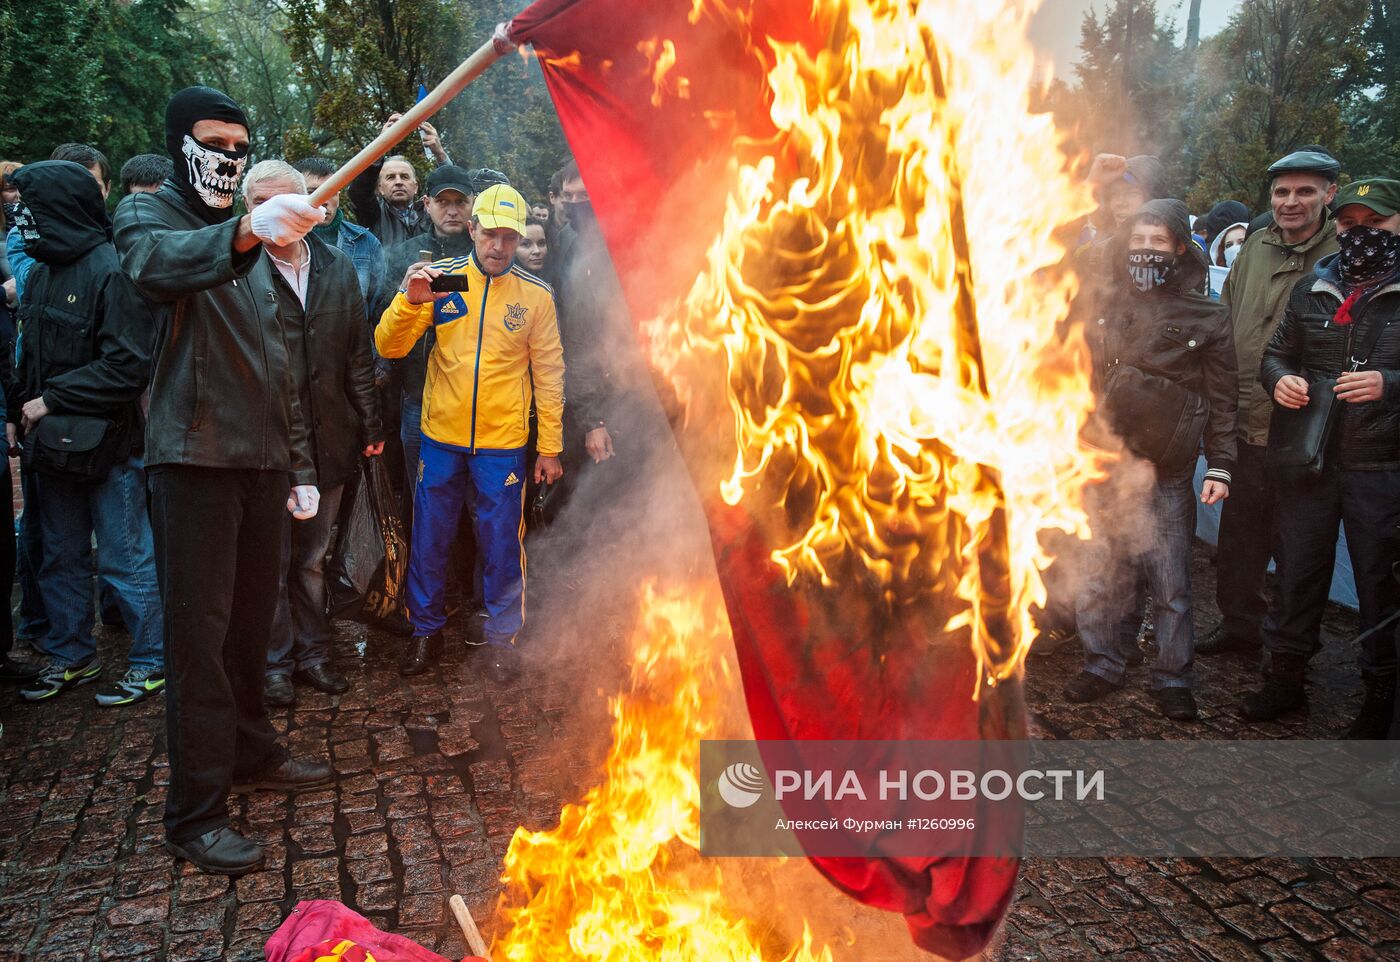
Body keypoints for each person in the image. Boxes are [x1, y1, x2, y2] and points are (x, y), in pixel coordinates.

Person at [113, 86, 332, 876]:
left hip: (260, 463)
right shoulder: (151, 219)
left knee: (247, 627)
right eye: (214, 143)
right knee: (199, 641)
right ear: (179, 144)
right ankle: (194, 813)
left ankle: (251, 753)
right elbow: (150, 268)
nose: (228, 157)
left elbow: (282, 366)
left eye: (240, 147)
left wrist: (296, 465)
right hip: (195, 460)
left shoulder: (254, 247)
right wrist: (242, 230)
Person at [375, 184, 565, 682]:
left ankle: (503, 639)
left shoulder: (536, 296)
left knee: (502, 544)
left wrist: (549, 447)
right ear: (473, 229)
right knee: (430, 538)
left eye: (509, 237)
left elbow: (549, 373)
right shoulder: (444, 279)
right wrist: (409, 302)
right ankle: (425, 633)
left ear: (519, 238)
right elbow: (389, 346)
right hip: (440, 437)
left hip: (502, 446)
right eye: (490, 234)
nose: (498, 247)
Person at [1063, 199, 1238, 721]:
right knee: (1097, 571)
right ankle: (1102, 663)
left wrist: (1222, 466)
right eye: (1137, 241)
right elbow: (1073, 377)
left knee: (1171, 579)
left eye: (1157, 242)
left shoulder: (1206, 315)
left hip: (1168, 468)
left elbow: (1224, 398)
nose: (1145, 251)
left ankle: (1172, 677)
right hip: (1101, 461)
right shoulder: (1100, 304)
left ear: (1181, 248)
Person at [1241, 178, 1400, 734]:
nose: (1361, 234)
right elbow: (1276, 354)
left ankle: (1382, 700)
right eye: (1351, 224)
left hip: (1382, 465)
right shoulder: (1315, 286)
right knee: (1296, 574)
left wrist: (1391, 384)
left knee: (1380, 585)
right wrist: (1281, 380)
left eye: (1375, 224)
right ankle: (1284, 679)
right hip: (1310, 460)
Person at [4, 160, 165, 705]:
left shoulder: (112, 271)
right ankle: (72, 655)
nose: (19, 216)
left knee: (124, 557)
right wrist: (18, 411)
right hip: (48, 447)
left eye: (30, 206)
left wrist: (50, 400)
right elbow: (31, 356)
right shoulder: (44, 270)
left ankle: (153, 659)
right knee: (59, 555)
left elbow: (127, 365)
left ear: (60, 209)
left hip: (110, 448)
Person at [241, 161, 384, 707]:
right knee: (269, 561)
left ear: (311, 205)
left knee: (313, 557)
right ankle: (274, 663)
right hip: (266, 444)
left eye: (290, 201)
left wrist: (369, 422)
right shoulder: (240, 270)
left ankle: (315, 652)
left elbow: (356, 352)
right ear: (250, 209)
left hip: (330, 437)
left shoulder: (338, 265)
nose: (280, 214)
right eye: (265, 204)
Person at [1201, 149, 1341, 656]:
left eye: (1305, 191)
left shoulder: (1344, 252)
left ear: (1329, 194)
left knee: (1300, 549)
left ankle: (1288, 652)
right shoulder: (1255, 246)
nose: (1291, 202)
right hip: (1245, 421)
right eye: (1282, 192)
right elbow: (1225, 322)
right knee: (1240, 538)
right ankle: (1239, 626)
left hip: (1309, 431)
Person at [295, 156, 385, 316]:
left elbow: (378, 310)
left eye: (331, 191)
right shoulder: (281, 242)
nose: (323, 200)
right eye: (312, 192)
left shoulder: (365, 242)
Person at [347, 115, 451, 248]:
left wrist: (440, 154)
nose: (398, 182)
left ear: (416, 187)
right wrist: (380, 145)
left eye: (404, 176)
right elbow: (359, 192)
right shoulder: (373, 214)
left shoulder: (431, 211)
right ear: (380, 189)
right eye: (390, 177)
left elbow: (451, 192)